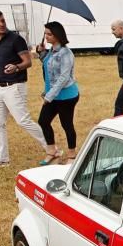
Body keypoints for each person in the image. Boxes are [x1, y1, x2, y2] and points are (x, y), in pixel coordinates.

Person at [0, 9, 51, 168]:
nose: (1, 24)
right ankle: (2, 159)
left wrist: (16, 67)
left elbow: (28, 62)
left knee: (23, 121)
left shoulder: (16, 39)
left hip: (14, 86)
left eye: (2, 20)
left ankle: (52, 148)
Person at [36, 22, 79, 165]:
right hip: (53, 95)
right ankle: (52, 151)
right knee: (43, 121)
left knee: (67, 124)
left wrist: (49, 96)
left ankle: (72, 155)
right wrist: (41, 53)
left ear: (58, 35)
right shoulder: (51, 51)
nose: (46, 37)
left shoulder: (66, 53)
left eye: (49, 34)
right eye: (45, 34)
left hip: (66, 96)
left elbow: (63, 78)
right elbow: (49, 66)